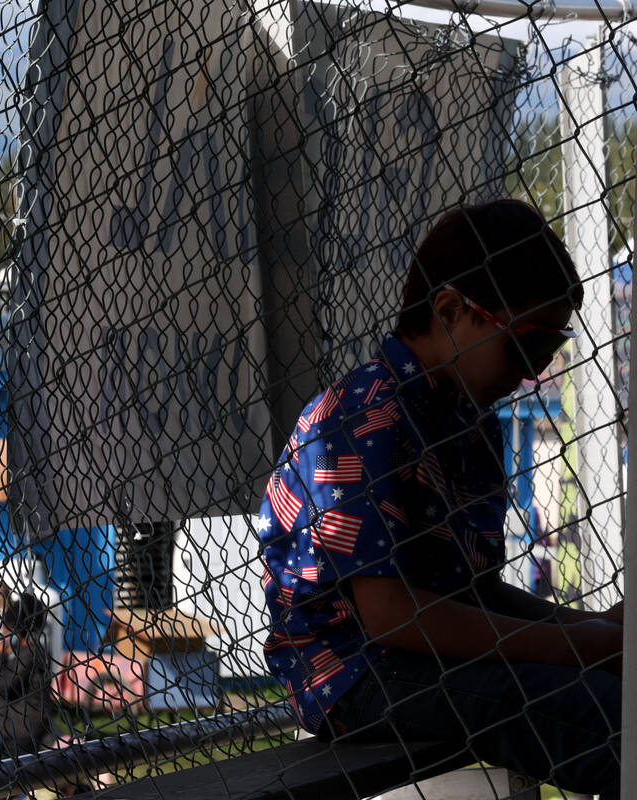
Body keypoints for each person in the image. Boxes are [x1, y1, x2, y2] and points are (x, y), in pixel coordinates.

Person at [256, 199, 622, 797]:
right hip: (353, 671)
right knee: (598, 716)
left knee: (600, 691)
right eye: (525, 347)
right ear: (451, 310)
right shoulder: (363, 413)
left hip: (421, 654)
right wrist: (584, 643)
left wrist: (594, 630)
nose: (531, 374)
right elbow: (390, 614)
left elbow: (471, 595)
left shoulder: (466, 421)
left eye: (548, 352)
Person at [0, 591, 54, 765]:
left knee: (10, 779)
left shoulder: (30, 653)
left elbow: (5, 686)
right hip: (8, 726)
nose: (4, 631)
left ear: (17, 627)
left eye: (8, 627)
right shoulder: (22, 650)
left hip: (20, 730)